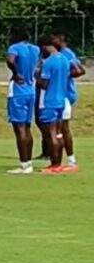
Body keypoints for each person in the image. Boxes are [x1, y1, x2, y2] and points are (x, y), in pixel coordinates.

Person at [37, 34, 79, 174]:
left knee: (52, 133)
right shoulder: (64, 60)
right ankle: (59, 164)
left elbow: (45, 84)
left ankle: (55, 164)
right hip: (62, 99)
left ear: (45, 47)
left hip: (50, 100)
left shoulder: (49, 62)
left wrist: (37, 76)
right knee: (60, 133)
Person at [5, 30, 41, 174]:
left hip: (18, 90)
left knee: (18, 127)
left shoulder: (14, 48)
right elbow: (39, 64)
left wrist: (16, 73)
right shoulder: (35, 49)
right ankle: (29, 162)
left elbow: (10, 60)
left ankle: (24, 164)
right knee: (27, 127)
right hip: (30, 90)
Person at [54, 33, 85, 170]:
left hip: (65, 94)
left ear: (61, 39)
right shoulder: (58, 54)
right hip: (60, 94)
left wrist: (62, 76)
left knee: (62, 127)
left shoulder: (66, 53)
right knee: (56, 127)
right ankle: (55, 157)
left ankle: (69, 161)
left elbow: (80, 70)